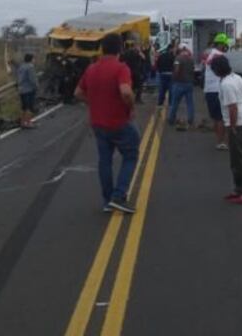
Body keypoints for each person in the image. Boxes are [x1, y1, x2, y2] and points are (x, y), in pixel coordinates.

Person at [74, 33, 139, 214]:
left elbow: (77, 93)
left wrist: (93, 102)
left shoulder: (92, 69)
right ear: (120, 48)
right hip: (119, 122)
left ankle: (107, 200)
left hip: (98, 123)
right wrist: (131, 107)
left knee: (105, 161)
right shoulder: (121, 68)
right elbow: (126, 92)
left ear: (102, 48)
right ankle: (118, 196)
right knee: (131, 155)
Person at [211, 55, 242, 204]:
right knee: (235, 160)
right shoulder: (236, 77)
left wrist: (232, 127)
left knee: (239, 161)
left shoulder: (226, 84)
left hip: (239, 124)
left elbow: (233, 107)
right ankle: (238, 189)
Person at [204, 33, 231, 150]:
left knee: (215, 117)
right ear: (220, 44)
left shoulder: (210, 54)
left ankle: (218, 140)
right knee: (222, 117)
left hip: (209, 90)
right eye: (225, 44)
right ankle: (222, 142)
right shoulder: (221, 56)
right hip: (218, 89)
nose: (226, 47)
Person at [168, 44, 196, 130]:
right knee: (190, 103)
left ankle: (171, 119)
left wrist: (174, 78)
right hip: (189, 83)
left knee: (175, 103)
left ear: (180, 50)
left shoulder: (178, 58)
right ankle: (190, 119)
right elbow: (193, 70)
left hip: (179, 83)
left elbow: (176, 70)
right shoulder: (191, 59)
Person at [16, 53, 39, 129]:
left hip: (21, 89)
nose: (34, 60)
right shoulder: (30, 67)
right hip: (29, 89)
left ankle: (23, 122)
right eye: (33, 58)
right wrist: (36, 86)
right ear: (31, 59)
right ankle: (28, 122)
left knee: (24, 107)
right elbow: (32, 79)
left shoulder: (21, 66)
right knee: (29, 107)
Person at [155, 43, 175, 110]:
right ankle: (171, 103)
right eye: (173, 49)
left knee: (162, 89)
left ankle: (160, 103)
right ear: (171, 49)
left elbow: (157, 64)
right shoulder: (172, 56)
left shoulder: (161, 56)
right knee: (171, 90)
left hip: (162, 74)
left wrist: (160, 71)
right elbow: (174, 65)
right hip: (170, 74)